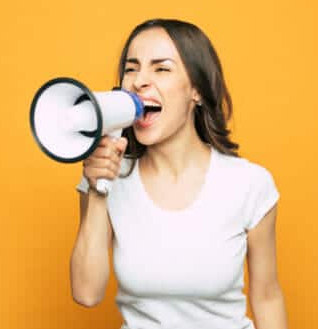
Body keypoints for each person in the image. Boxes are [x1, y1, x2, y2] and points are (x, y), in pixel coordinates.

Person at [71, 19, 288, 329]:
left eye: (161, 69)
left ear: (196, 90)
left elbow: (267, 296)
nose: (139, 81)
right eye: (131, 69)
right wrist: (97, 189)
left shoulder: (250, 184)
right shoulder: (106, 179)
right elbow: (86, 293)